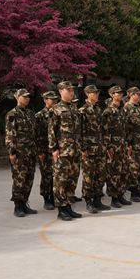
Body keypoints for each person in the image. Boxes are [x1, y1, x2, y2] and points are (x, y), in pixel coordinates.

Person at [48, 81, 83, 221]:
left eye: (72, 90)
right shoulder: (55, 109)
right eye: (68, 90)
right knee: (61, 180)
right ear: (61, 91)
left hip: (75, 150)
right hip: (63, 151)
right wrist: (54, 149)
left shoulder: (74, 109)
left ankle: (68, 205)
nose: (71, 92)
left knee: (72, 179)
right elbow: (51, 131)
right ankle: (61, 209)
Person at [5, 88, 37, 217]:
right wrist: (12, 152)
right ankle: (18, 206)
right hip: (19, 152)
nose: (27, 99)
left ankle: (24, 203)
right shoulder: (12, 114)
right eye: (24, 97)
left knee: (29, 178)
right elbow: (10, 134)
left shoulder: (30, 113)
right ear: (17, 98)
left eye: (28, 96)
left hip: (31, 151)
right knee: (19, 178)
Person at [79, 85, 111, 213]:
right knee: (88, 176)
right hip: (89, 150)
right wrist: (83, 148)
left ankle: (98, 199)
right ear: (88, 94)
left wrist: (105, 144)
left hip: (100, 148)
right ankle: (88, 201)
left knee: (100, 175)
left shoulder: (99, 110)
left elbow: (104, 129)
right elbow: (80, 131)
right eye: (94, 93)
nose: (97, 94)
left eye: (97, 92)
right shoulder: (82, 111)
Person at [102, 85, 132, 208]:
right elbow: (105, 130)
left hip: (122, 145)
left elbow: (126, 129)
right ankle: (114, 197)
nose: (119, 94)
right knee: (113, 172)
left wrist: (128, 143)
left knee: (123, 171)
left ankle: (120, 194)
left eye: (120, 93)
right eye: (117, 93)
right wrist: (109, 147)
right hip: (113, 147)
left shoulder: (123, 110)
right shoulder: (108, 111)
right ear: (112, 95)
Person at [123, 86, 140, 202]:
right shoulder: (127, 108)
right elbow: (125, 127)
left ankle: (138, 189)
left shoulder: (138, 109)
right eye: (136, 94)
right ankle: (133, 192)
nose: (139, 96)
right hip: (133, 144)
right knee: (133, 168)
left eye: (139, 94)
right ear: (131, 95)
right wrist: (128, 143)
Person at [35, 90, 58, 210]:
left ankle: (54, 197)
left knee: (56, 176)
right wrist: (40, 152)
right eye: (51, 99)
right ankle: (46, 198)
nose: (54, 101)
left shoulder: (57, 113)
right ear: (45, 100)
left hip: (56, 150)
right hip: (45, 150)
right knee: (46, 176)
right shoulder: (39, 116)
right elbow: (37, 136)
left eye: (55, 99)